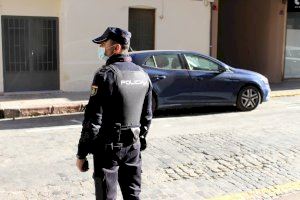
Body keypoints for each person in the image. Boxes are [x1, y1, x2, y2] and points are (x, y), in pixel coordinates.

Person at [76, 27, 152, 200]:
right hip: (133, 147)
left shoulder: (105, 75)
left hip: (108, 150)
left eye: (103, 45)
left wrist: (82, 154)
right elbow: (147, 117)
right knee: (133, 196)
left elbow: (93, 120)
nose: (101, 49)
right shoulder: (142, 74)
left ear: (116, 48)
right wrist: (138, 142)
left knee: (106, 196)